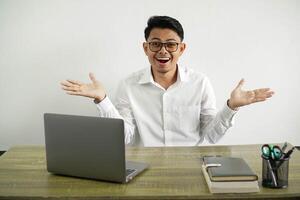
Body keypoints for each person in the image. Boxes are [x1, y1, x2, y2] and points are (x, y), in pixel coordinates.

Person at [61, 16, 274, 147]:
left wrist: (231, 107)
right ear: (146, 48)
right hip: (143, 167)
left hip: (191, 166)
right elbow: (124, 137)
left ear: (181, 49)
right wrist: (102, 100)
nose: (163, 50)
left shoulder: (200, 83)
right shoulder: (128, 85)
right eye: (155, 44)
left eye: (171, 44)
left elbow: (211, 136)